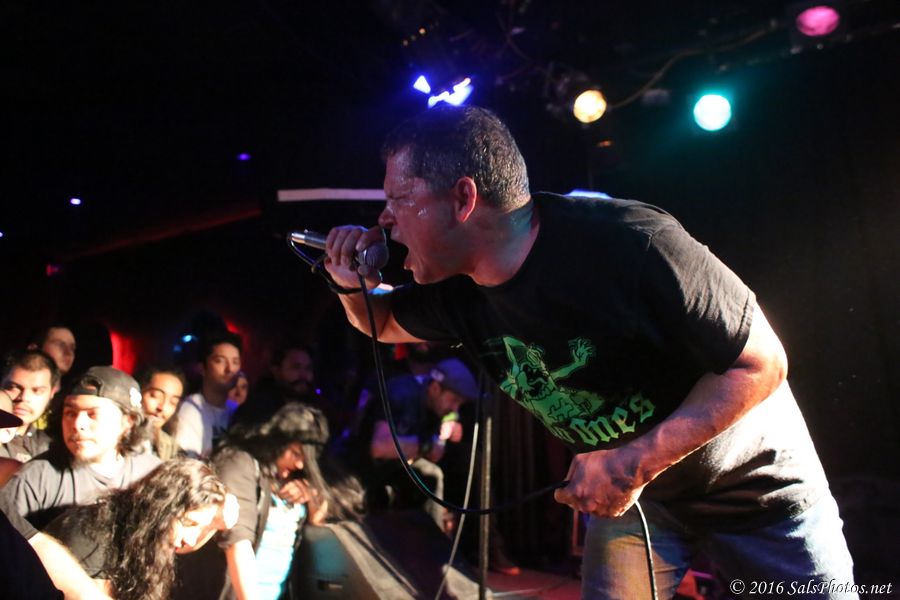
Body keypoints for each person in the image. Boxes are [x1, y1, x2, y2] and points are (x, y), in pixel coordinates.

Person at [321, 105, 856, 598]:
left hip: (754, 491)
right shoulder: (457, 290)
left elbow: (762, 363)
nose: (385, 218)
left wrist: (633, 462)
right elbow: (381, 321)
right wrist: (348, 282)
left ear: (463, 199)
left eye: (399, 199)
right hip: (639, 502)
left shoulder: (630, 242)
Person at [213, 403, 364, 600]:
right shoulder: (240, 464)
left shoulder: (296, 477)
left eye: (306, 458)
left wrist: (313, 490)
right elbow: (237, 542)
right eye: (295, 453)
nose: (300, 464)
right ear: (277, 441)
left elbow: (318, 520)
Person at [44, 458, 237, 600]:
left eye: (201, 527)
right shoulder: (92, 534)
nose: (191, 540)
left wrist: (215, 524)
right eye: (189, 523)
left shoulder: (145, 537)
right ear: (160, 507)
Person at [0, 366, 160, 533]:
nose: (77, 424)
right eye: (70, 413)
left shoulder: (153, 474)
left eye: (92, 414)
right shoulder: (36, 478)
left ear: (128, 421)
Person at [345, 357, 474, 528]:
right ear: (435, 388)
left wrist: (443, 435)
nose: (455, 408)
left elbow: (435, 454)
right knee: (430, 476)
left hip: (388, 471)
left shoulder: (435, 408)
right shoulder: (403, 393)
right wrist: (425, 445)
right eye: (454, 400)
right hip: (356, 472)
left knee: (435, 473)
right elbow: (379, 447)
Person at [172, 331, 242, 458]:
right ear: (202, 368)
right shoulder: (191, 408)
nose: (230, 369)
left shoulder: (236, 410)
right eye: (220, 361)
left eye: (235, 362)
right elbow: (186, 462)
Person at [0, 350, 58, 462]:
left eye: (37, 391)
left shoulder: (51, 449)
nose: (24, 398)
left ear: (52, 393)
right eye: (13, 387)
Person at [138, 366, 186, 460]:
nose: (162, 407)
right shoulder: (117, 436)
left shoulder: (174, 451)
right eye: (155, 396)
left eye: (173, 402)